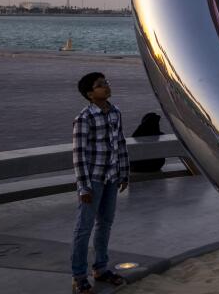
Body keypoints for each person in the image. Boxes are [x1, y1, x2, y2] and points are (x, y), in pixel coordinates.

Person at [70, 72, 129, 292]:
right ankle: (78, 275)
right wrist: (83, 186)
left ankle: (101, 268)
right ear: (89, 94)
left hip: (112, 178)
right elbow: (79, 154)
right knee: (83, 228)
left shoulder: (115, 113)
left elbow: (120, 144)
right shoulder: (85, 118)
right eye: (100, 85)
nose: (106, 87)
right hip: (93, 180)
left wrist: (124, 173)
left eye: (106, 83)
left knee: (105, 223)